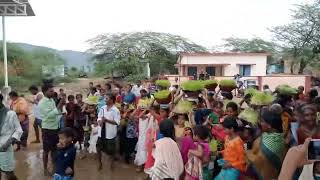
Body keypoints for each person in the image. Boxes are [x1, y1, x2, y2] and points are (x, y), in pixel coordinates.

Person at [246, 109, 286, 180]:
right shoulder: (277, 136)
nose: (260, 123)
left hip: (267, 174)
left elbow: (259, 160)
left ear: (269, 126)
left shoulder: (271, 142)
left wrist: (247, 153)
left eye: (262, 121)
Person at [38, 83, 65, 176]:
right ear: (45, 92)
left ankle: (54, 167)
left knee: (55, 149)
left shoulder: (51, 100)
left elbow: (56, 113)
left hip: (55, 128)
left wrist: (61, 113)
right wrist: (59, 105)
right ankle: (45, 169)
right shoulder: (42, 103)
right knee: (46, 150)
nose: (53, 92)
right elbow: (49, 115)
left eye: (53, 90)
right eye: (51, 91)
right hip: (47, 129)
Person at [0, 93, 23, 180]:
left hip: (5, 147)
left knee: (8, 172)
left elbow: (18, 130)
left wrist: (7, 143)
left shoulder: (10, 114)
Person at [96, 94, 121, 170]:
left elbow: (117, 122)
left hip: (110, 134)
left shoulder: (115, 110)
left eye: (106, 98)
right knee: (98, 148)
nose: (105, 100)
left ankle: (111, 164)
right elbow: (99, 117)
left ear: (111, 100)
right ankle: (99, 163)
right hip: (101, 133)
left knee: (111, 151)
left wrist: (106, 120)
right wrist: (99, 121)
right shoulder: (102, 108)